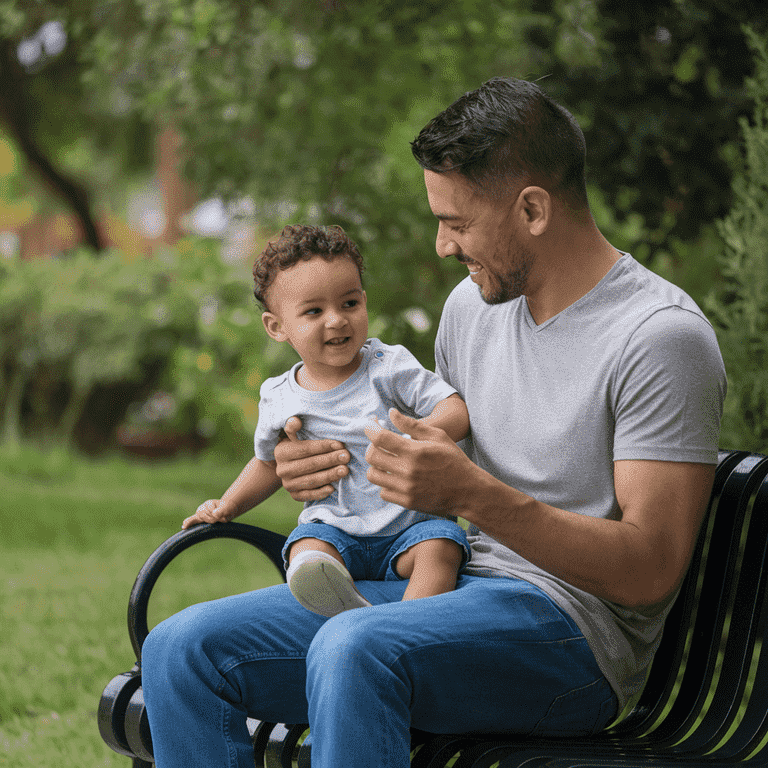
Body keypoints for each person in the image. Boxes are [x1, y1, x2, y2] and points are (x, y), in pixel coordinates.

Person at [141, 77, 727, 768]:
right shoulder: (472, 310)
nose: (444, 246)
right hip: (453, 590)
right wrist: (319, 463)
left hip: (574, 637)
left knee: (354, 647)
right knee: (181, 650)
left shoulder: (658, 337)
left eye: (458, 222)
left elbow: (650, 570)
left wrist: (472, 496)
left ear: (533, 208)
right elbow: (420, 459)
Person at [181, 224, 471, 616]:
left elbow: (454, 410)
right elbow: (268, 463)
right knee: (305, 548)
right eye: (314, 311)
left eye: (349, 304)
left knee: (441, 547)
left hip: (410, 527)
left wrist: (416, 441)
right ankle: (335, 601)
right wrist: (228, 505)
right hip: (337, 531)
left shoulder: (388, 366)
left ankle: (410, 625)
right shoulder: (280, 395)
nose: (336, 321)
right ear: (276, 326)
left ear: (364, 301)